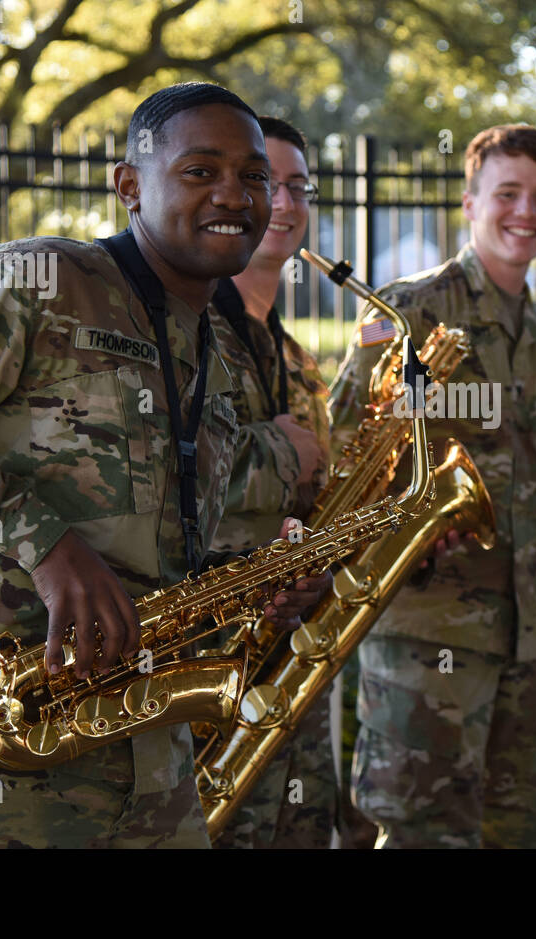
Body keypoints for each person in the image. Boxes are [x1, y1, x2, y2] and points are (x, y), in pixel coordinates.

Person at [0, 82, 328, 848]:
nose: (237, 194)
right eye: (200, 170)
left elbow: (156, 547)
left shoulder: (209, 348)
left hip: (142, 752)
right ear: (129, 185)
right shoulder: (35, 282)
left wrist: (256, 587)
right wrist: (44, 544)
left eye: (254, 176)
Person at [328, 124, 536, 848]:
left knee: (519, 832)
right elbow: (342, 456)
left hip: (523, 641)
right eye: (507, 194)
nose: (525, 212)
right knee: (420, 833)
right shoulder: (409, 315)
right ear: (470, 202)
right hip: (423, 635)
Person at [206, 116, 337, 848]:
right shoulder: (183, 332)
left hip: (289, 672)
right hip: (212, 666)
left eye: (296, 186)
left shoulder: (299, 361)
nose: (281, 203)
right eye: (265, 181)